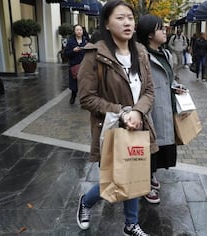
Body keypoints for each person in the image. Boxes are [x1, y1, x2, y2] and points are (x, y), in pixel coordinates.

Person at [77, 1, 158, 235]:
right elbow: (87, 98)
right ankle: (86, 201)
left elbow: (150, 91)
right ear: (106, 23)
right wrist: (122, 111)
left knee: (134, 175)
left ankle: (131, 224)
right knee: (114, 179)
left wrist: (137, 111)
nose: (127, 23)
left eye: (130, 18)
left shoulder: (140, 52)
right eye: (120, 18)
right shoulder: (95, 55)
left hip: (139, 125)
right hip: (111, 127)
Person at [137, 14, 185, 204]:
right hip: (150, 108)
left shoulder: (165, 53)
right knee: (148, 145)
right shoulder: (141, 55)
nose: (165, 31)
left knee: (161, 145)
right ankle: (144, 184)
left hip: (166, 105)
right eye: (160, 28)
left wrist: (176, 87)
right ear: (149, 34)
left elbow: (169, 78)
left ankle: (151, 175)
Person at [64, 24, 88, 104]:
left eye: (80, 30)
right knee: (74, 84)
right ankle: (73, 95)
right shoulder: (71, 42)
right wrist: (73, 51)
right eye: (77, 30)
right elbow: (66, 54)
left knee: (84, 84)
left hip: (84, 65)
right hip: (74, 65)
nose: (79, 32)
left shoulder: (86, 40)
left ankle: (83, 99)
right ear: (74, 32)